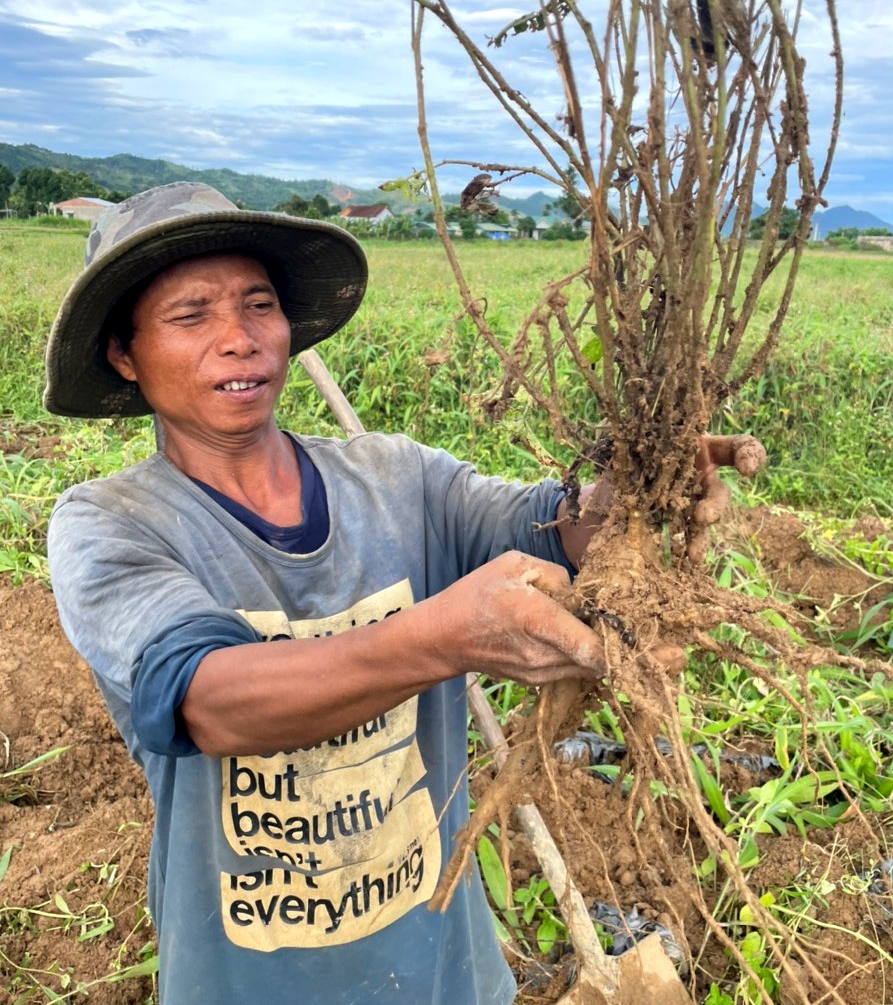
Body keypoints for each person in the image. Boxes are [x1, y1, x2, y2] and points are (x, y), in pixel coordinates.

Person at [44, 182, 763, 1005]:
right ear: (124, 356)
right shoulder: (110, 524)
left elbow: (551, 529)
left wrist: (636, 489)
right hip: (249, 980)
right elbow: (210, 701)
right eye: (190, 315)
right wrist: (442, 638)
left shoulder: (393, 478)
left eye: (258, 304)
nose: (238, 339)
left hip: (443, 973)